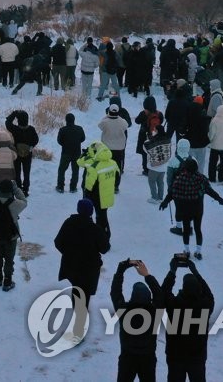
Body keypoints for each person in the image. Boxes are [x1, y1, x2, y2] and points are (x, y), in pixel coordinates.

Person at [54, 198, 111, 340]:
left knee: (77, 291)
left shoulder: (69, 223)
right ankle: (78, 332)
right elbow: (105, 248)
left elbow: (58, 242)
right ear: (91, 212)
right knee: (83, 296)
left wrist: (68, 253)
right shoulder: (95, 229)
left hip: (72, 265)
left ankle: (78, 321)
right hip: (89, 269)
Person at [160, 159, 223, 260]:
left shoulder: (180, 179)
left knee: (186, 230)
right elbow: (209, 191)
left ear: (185, 169)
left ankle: (186, 251)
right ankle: (198, 252)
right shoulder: (201, 179)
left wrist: (165, 202)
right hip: (198, 209)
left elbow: (172, 194)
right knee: (198, 229)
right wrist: (218, 198)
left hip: (185, 210)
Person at [161, 255, 213, 382]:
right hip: (197, 357)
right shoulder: (205, 305)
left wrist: (172, 272)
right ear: (198, 290)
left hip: (175, 356)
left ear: (183, 288)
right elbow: (209, 295)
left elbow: (163, 294)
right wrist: (196, 272)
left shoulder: (174, 304)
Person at [110, 259, 162, 382]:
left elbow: (115, 293)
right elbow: (159, 294)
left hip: (127, 358)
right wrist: (147, 275)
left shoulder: (124, 311)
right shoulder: (155, 312)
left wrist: (121, 270)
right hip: (148, 359)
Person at [0, 180, 27, 291]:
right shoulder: (16, 204)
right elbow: (24, 200)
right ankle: (8, 281)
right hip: (11, 237)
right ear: (11, 191)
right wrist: (15, 188)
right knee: (9, 259)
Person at [78, 141, 119, 238]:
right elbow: (117, 178)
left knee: (95, 217)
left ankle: (98, 238)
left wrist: (86, 196)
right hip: (107, 195)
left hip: (96, 197)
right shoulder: (113, 163)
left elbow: (89, 186)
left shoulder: (94, 166)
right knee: (103, 217)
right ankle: (106, 236)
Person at [3, 109, 39, 195]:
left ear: (18, 120)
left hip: (16, 154)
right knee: (27, 173)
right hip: (27, 154)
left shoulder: (15, 129)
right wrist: (30, 147)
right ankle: (26, 190)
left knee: (17, 172)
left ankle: (18, 189)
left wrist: (14, 113)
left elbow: (7, 123)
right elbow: (36, 140)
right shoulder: (31, 129)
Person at [56, 113, 86, 193]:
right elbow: (83, 138)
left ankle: (60, 187)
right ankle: (73, 187)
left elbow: (59, 141)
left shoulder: (62, 130)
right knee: (75, 170)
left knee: (62, 170)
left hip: (66, 152)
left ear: (66, 120)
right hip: (76, 152)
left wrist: (65, 144)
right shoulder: (79, 129)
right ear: (74, 120)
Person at [206, 104, 223, 183]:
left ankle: (212, 177)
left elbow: (211, 134)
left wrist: (209, 140)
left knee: (213, 162)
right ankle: (221, 177)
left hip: (215, 145)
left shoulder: (215, 120)